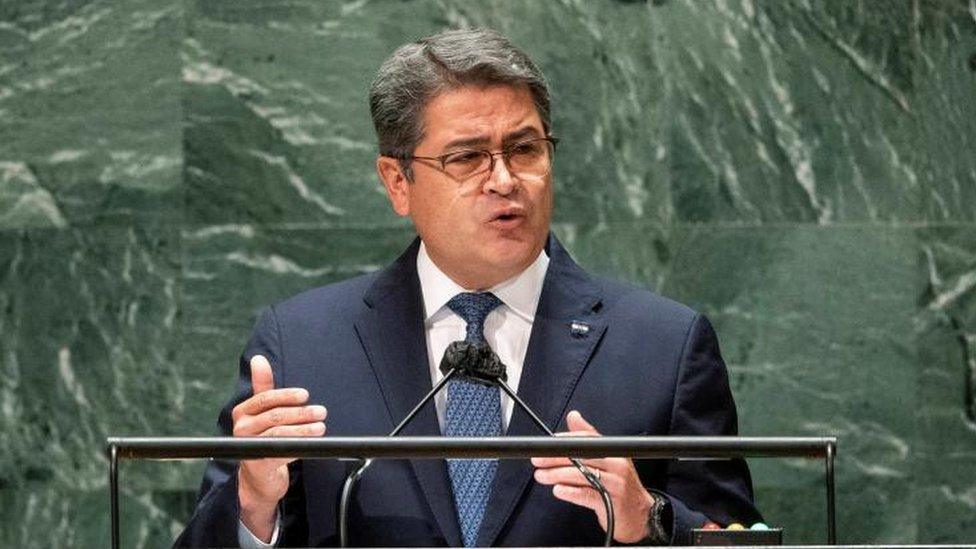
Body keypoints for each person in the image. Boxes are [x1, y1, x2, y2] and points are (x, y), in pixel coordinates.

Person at [175, 28, 762, 548]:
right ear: (397, 181)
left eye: (525, 149)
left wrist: (648, 519)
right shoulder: (302, 345)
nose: (505, 180)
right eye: (468, 158)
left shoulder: (664, 345)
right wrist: (254, 506)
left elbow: (740, 540)